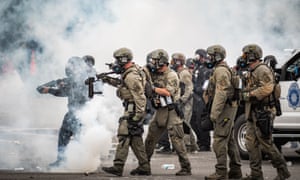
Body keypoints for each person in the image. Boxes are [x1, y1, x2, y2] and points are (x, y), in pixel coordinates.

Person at [240, 44, 290, 180]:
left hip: (263, 111)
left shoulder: (262, 70)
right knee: (250, 143)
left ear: (251, 55)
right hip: (253, 111)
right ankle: (256, 174)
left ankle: (283, 171)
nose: (243, 57)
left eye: (245, 54)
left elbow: (267, 88)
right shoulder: (252, 70)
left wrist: (249, 95)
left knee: (266, 143)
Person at [101, 47, 151, 176]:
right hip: (133, 108)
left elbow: (140, 96)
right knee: (135, 138)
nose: (116, 63)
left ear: (124, 59)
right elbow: (124, 86)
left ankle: (118, 166)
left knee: (123, 135)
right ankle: (144, 167)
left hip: (133, 109)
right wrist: (108, 80)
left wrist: (138, 116)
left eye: (118, 60)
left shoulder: (131, 75)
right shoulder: (132, 71)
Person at [37, 56, 93, 168]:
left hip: (81, 113)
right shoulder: (76, 78)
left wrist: (49, 90)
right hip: (75, 113)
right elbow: (61, 85)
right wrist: (47, 87)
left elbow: (63, 91)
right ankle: (63, 160)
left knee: (79, 137)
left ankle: (81, 162)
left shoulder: (82, 79)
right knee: (65, 135)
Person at [144, 49, 192, 176]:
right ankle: (144, 165)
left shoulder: (172, 75)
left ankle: (186, 167)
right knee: (150, 137)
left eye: (155, 61)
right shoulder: (155, 73)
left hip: (172, 111)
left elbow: (168, 92)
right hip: (160, 110)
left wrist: (153, 88)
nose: (152, 63)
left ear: (161, 61)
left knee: (177, 140)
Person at [204, 45, 242, 180]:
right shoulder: (222, 69)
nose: (208, 59)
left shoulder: (220, 71)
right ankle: (236, 171)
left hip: (224, 110)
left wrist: (214, 113)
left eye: (210, 56)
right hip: (227, 108)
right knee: (230, 140)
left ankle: (221, 172)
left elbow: (221, 93)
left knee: (219, 140)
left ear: (217, 57)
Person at [170, 53, 198, 153]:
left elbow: (189, 89)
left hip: (186, 103)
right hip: (180, 102)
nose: (171, 62)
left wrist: (182, 100)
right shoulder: (177, 72)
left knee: (184, 124)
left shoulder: (184, 73)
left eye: (173, 60)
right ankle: (192, 146)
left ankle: (188, 145)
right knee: (182, 124)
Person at [190, 49, 212, 151]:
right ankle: (200, 140)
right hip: (195, 98)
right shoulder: (197, 68)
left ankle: (205, 143)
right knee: (193, 121)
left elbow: (205, 85)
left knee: (201, 121)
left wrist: (196, 89)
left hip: (202, 98)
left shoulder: (207, 69)